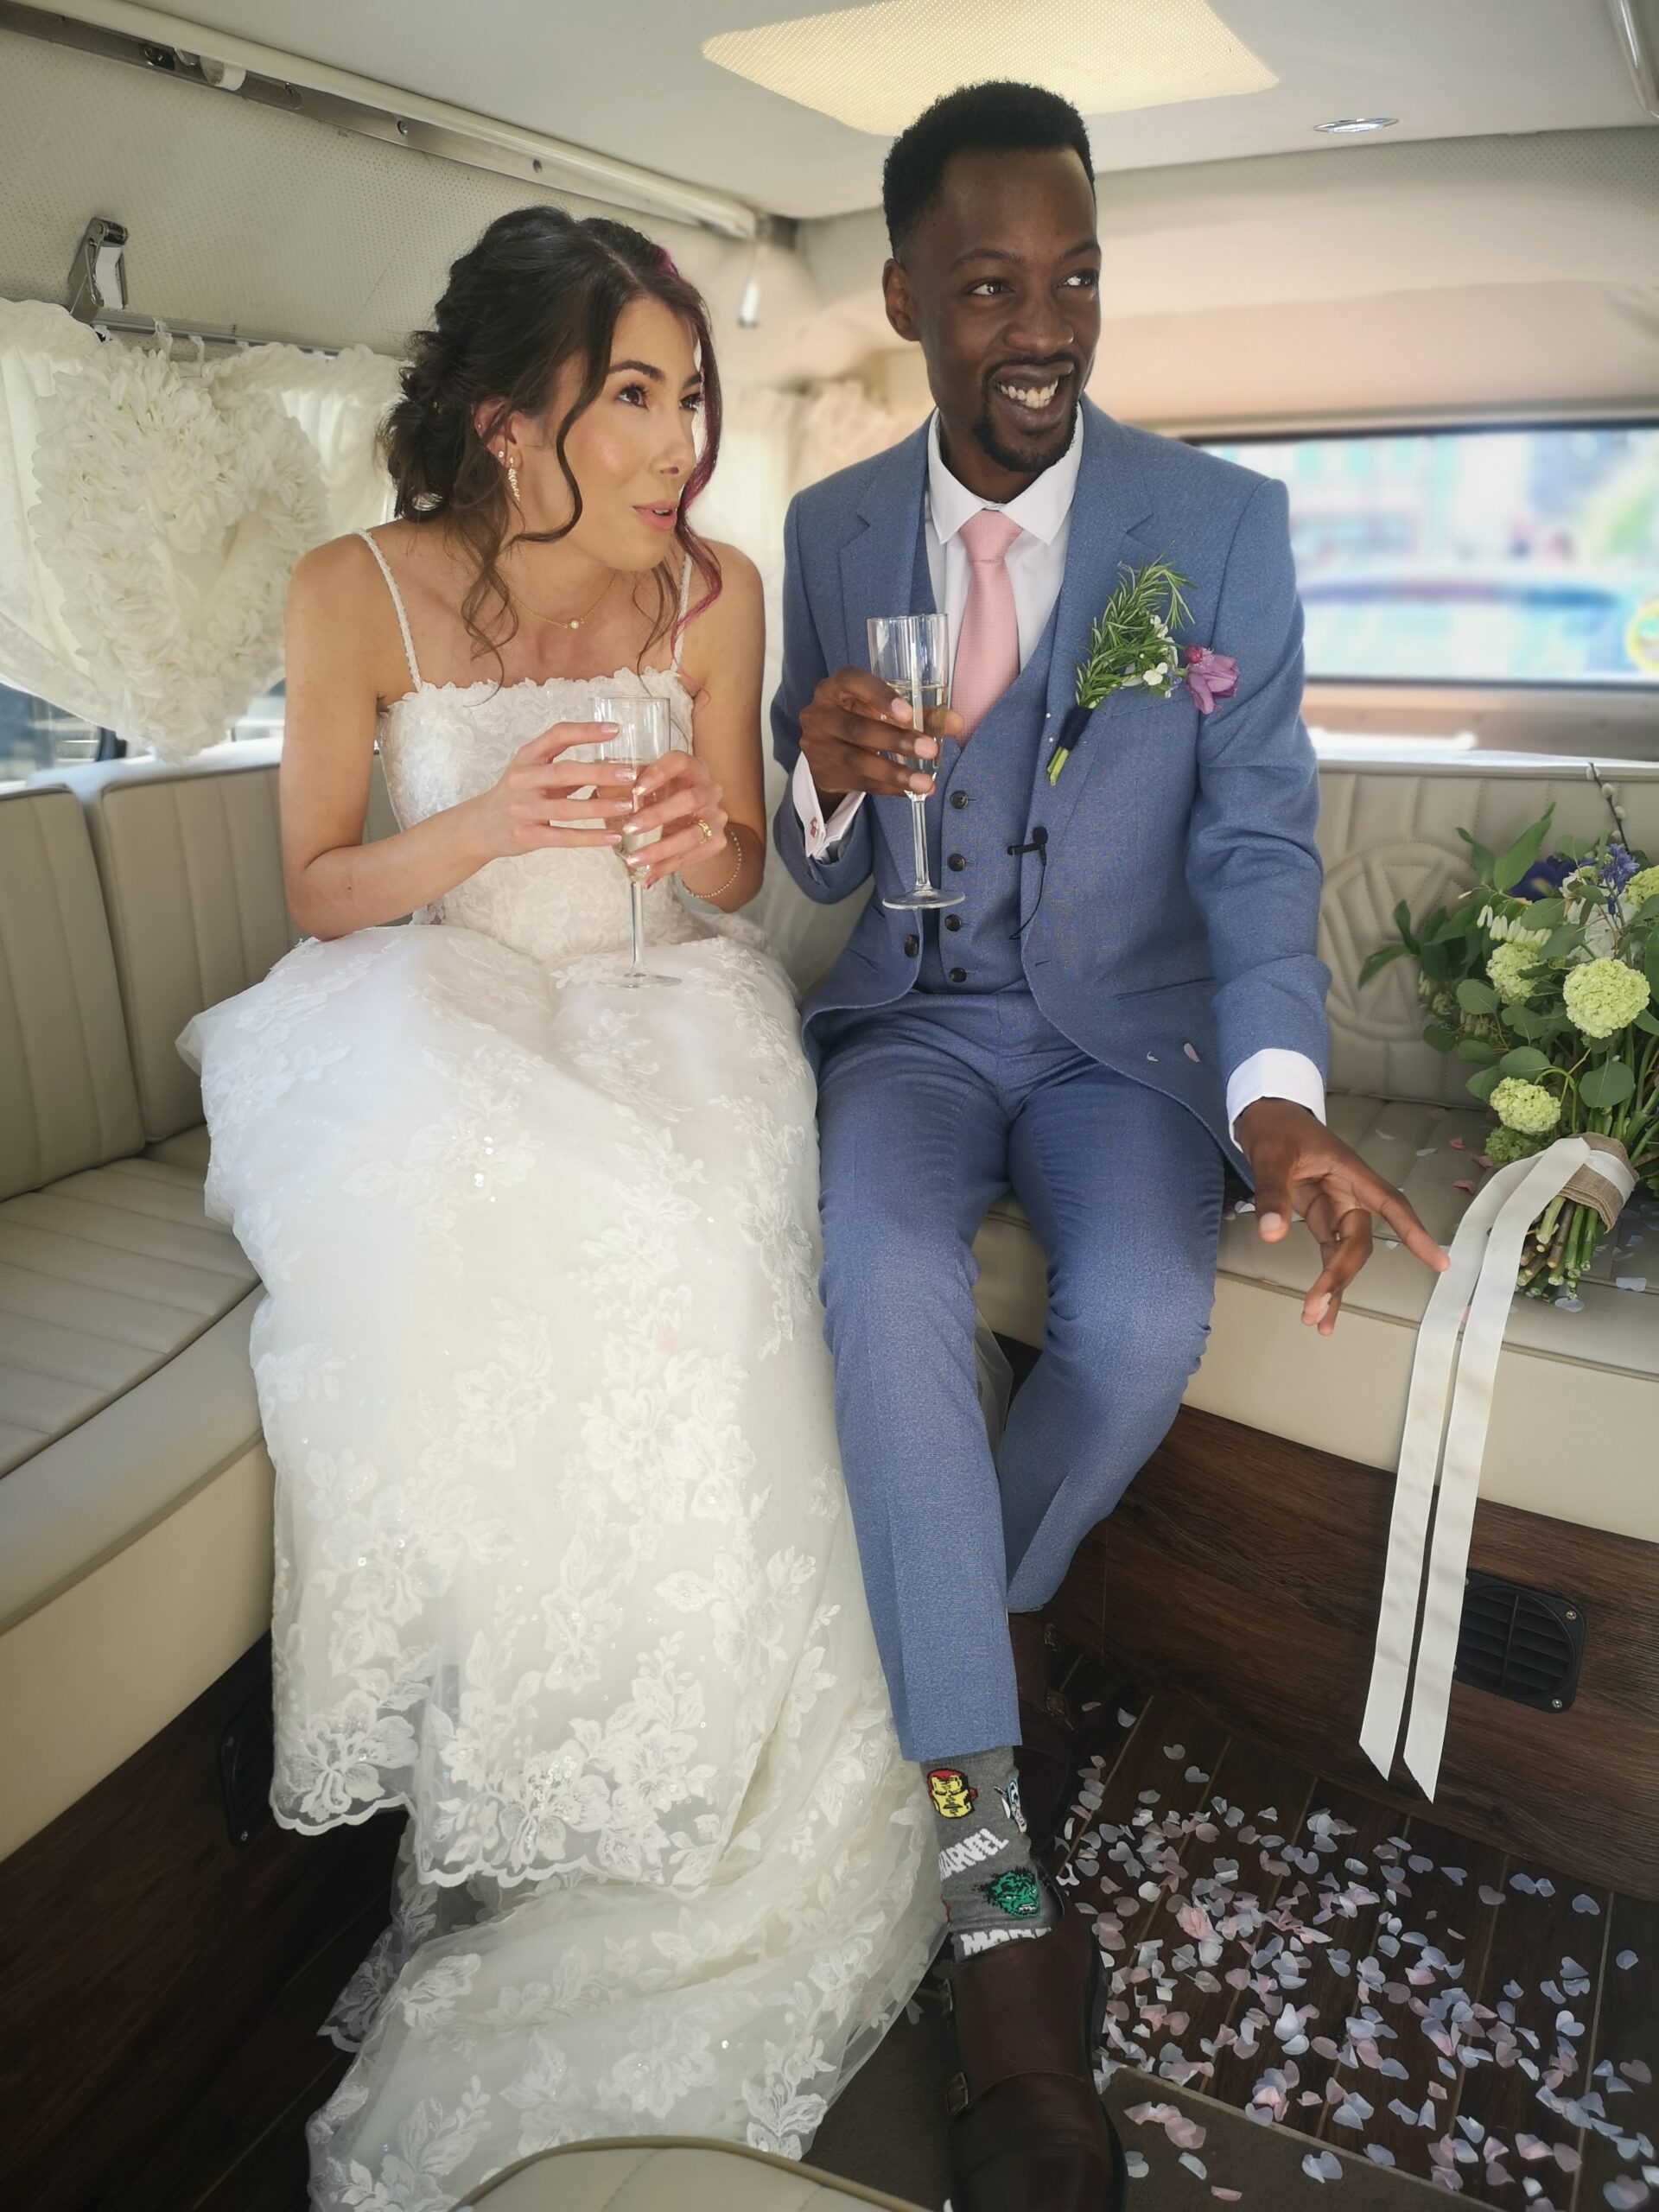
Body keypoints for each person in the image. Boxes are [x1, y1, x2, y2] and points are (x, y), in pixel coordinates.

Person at [180, 205, 938, 2209]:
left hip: (652, 989)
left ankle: (697, 1780)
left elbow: (736, 883)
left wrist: (706, 834)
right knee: (498, 1175)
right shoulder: (352, 591)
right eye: (636, 397)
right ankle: (529, 1772)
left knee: (698, 1207)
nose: (680, 441)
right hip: (430, 979)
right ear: (516, 422)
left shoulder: (720, 590)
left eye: (691, 397)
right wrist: (486, 822)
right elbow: (322, 889)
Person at [771, 83, 1449, 2212]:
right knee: (874, 1272)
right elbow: (803, 843)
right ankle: (999, 1935)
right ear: (904, 299)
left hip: (1124, 1050)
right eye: (990, 284)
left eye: (1074, 275)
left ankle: (985, 1594)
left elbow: (1260, 847)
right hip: (910, 1019)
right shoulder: (829, 529)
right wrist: (810, 770)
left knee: (1149, 1313)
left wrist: (1277, 1109)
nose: (1043, 323)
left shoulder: (1217, 527)